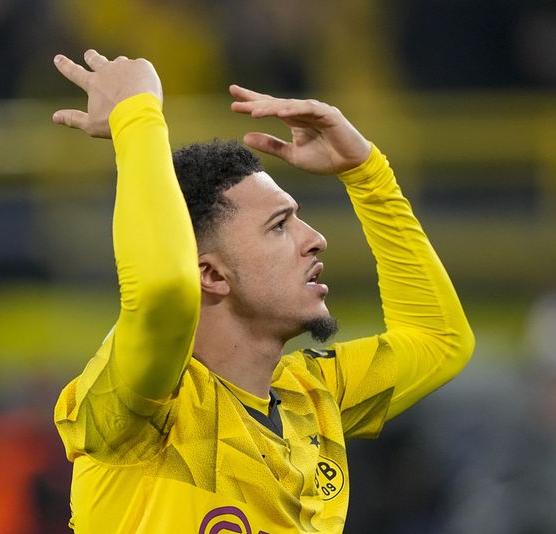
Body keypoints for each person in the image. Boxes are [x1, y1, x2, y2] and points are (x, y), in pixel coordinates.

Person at [52, 49, 474, 534]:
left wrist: (366, 175)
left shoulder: (311, 397)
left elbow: (439, 339)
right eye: (279, 226)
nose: (315, 238)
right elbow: (163, 294)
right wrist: (137, 113)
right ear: (210, 276)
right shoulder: (140, 410)